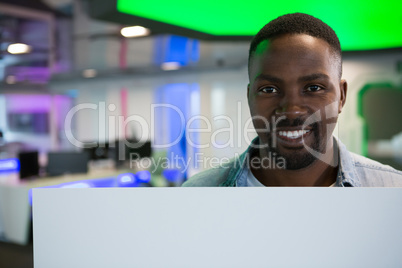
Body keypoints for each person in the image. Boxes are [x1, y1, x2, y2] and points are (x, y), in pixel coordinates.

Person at [183, 13, 402, 187]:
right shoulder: (199, 194)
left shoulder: (392, 191)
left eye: (314, 87)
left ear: (342, 96)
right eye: (269, 89)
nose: (292, 110)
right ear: (250, 98)